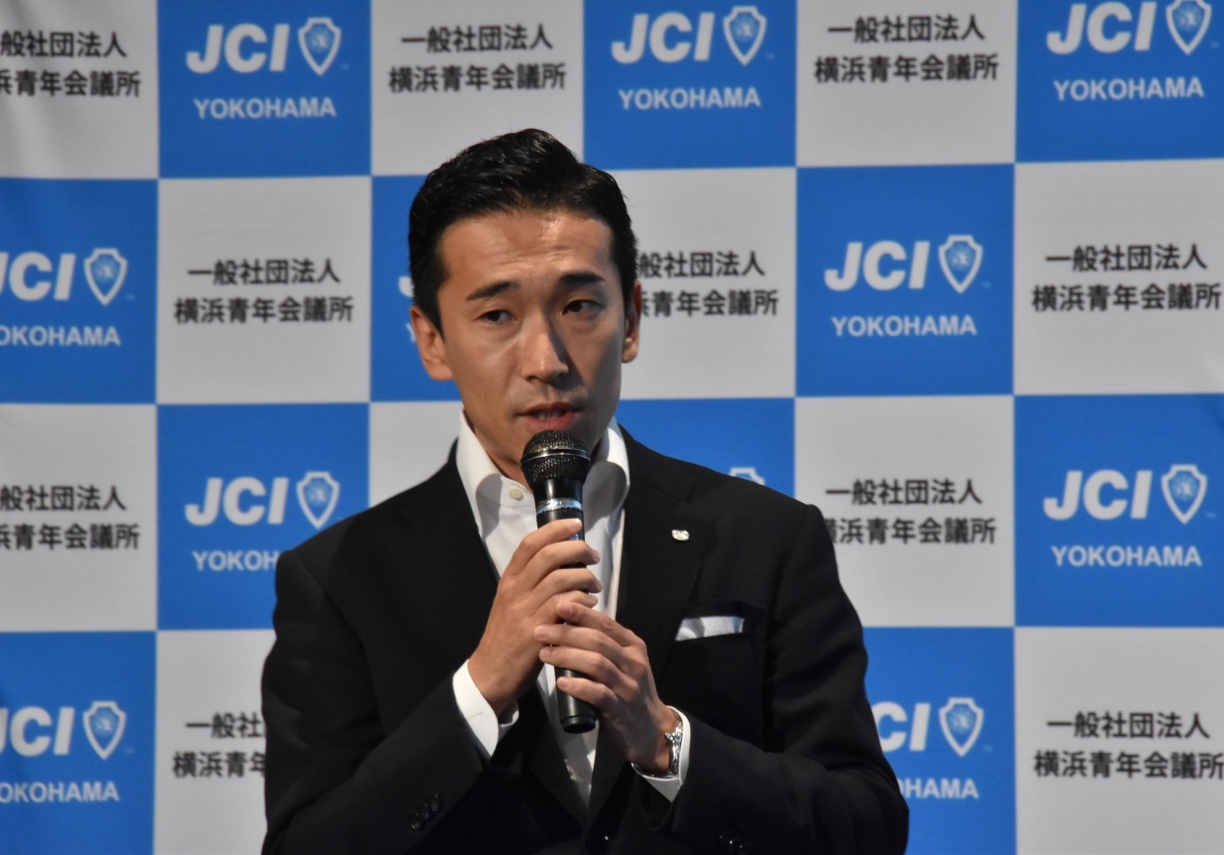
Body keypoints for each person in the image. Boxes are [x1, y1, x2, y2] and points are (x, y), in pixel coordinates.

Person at [261, 129, 907, 855]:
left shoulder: (765, 539)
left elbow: (867, 826)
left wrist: (668, 742)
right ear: (432, 339)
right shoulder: (339, 578)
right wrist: (478, 692)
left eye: (578, 305)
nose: (546, 359)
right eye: (498, 315)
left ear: (631, 317)